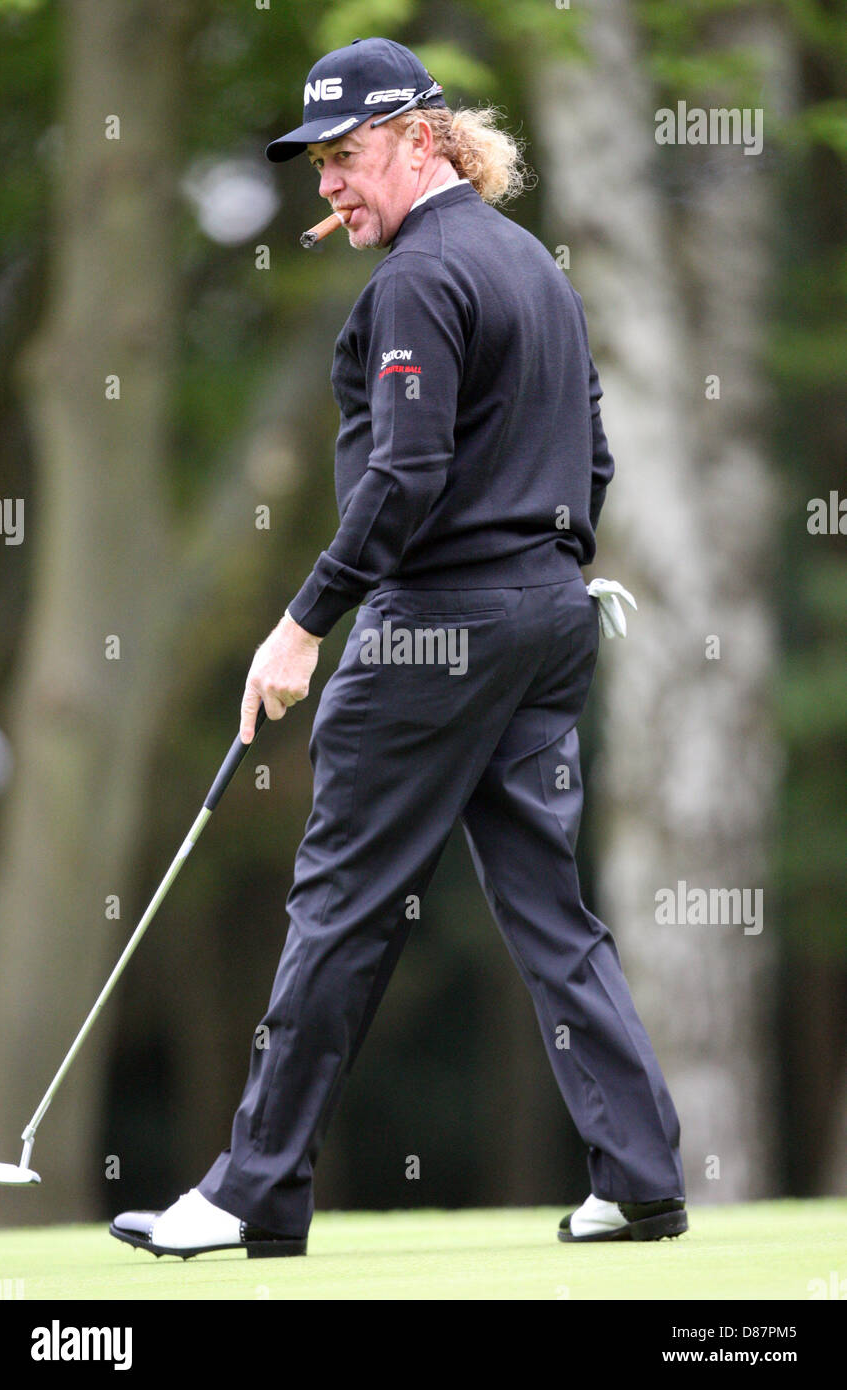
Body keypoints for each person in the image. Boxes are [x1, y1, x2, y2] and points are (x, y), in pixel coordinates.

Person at [111, 36, 687, 1259]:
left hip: (436, 631)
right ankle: (638, 1171)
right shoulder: (530, 263)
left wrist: (299, 623)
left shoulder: (421, 276)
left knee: (338, 905)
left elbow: (405, 473)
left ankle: (253, 1186)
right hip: (547, 619)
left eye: (347, 154)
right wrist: (537, 580)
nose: (328, 184)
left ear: (420, 137)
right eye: (317, 163)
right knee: (547, 907)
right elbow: (591, 459)